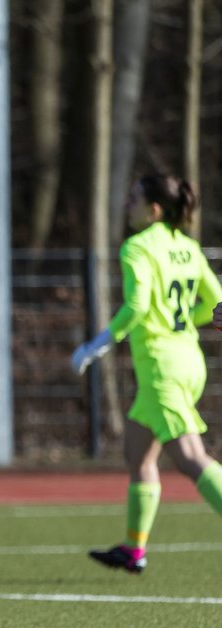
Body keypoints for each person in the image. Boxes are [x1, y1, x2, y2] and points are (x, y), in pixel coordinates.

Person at [71, 173, 222, 573]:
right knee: (138, 454)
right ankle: (133, 549)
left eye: (133, 198)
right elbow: (216, 301)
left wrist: (97, 343)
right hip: (189, 360)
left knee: (191, 458)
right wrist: (191, 318)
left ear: (154, 209)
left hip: (160, 367)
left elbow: (136, 307)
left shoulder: (137, 247)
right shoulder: (187, 247)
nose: (127, 205)